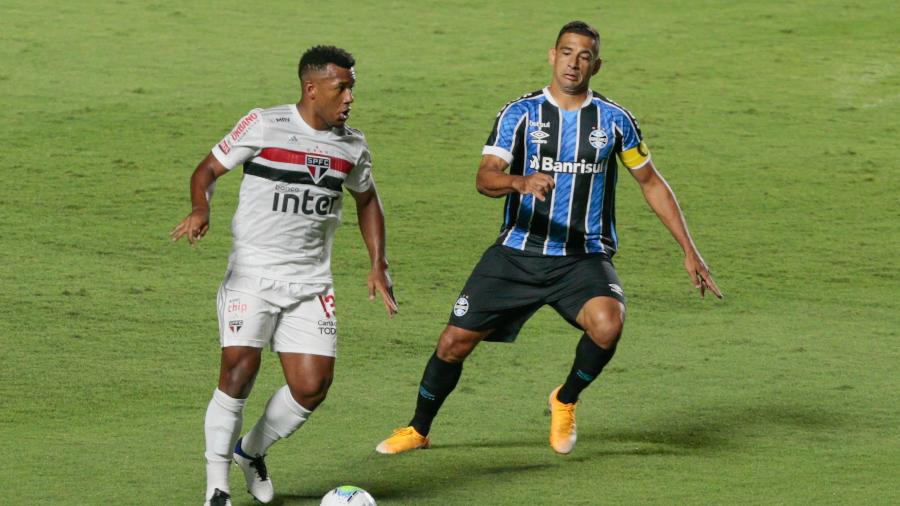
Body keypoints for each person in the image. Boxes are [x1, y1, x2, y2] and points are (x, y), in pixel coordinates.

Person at [376, 21, 721, 456]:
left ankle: (565, 399)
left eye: (583, 56)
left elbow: (651, 182)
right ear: (551, 55)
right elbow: (485, 178)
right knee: (452, 344)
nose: (573, 63)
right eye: (566, 52)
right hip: (517, 253)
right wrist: (519, 182)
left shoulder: (615, 121)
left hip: (582, 257)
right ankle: (418, 429)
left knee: (608, 324)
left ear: (596, 64)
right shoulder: (519, 114)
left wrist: (689, 250)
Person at [171, 45, 398, 506]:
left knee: (313, 386)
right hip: (253, 274)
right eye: (342, 87)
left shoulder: (352, 144)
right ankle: (216, 486)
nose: (350, 97)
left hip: (311, 282)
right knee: (239, 369)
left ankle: (250, 451)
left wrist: (378, 263)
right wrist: (200, 207)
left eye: (352, 87)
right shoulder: (263, 124)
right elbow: (207, 169)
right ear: (312, 88)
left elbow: (367, 199)